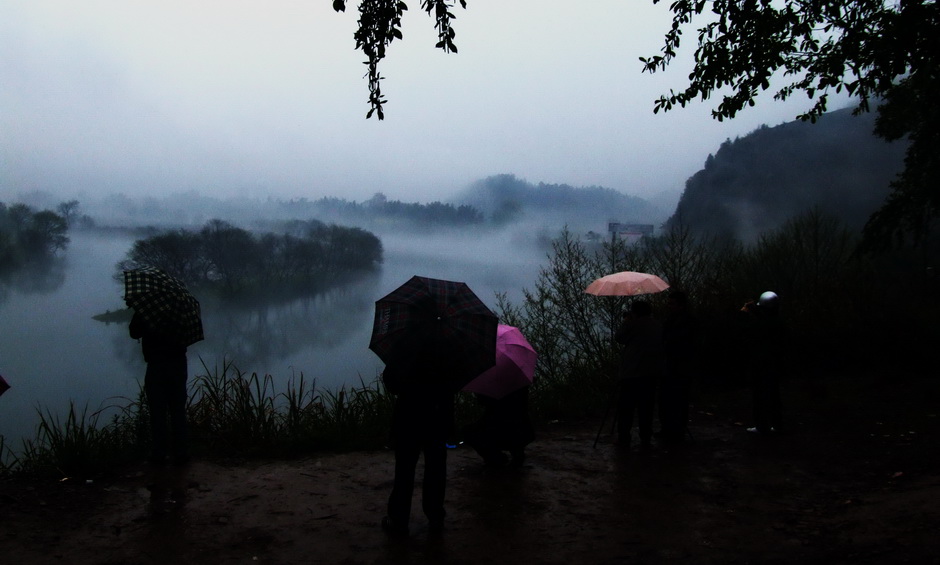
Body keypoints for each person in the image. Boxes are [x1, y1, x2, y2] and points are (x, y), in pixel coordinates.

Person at [381, 337, 456, 537]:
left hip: (408, 416)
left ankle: (398, 519)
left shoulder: (405, 343)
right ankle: (435, 516)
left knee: (404, 468)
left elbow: (391, 382)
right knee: (436, 467)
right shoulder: (448, 343)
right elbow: (454, 383)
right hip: (438, 416)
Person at [129, 310, 190, 465]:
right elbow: (189, 333)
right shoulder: (180, 310)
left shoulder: (147, 310)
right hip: (178, 364)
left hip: (156, 365)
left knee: (157, 410)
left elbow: (134, 332)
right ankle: (181, 453)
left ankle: (159, 453)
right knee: (178, 409)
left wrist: (138, 312)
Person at [614, 300, 664, 450]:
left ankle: (624, 437)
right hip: (651, 372)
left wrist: (627, 321)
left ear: (635, 312)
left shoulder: (633, 325)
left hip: (632, 373)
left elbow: (619, 337)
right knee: (646, 407)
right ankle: (645, 435)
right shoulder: (657, 325)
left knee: (626, 407)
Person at [740, 291, 787, 434]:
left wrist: (747, 313)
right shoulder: (777, 322)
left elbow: (748, 333)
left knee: (759, 396)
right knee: (773, 394)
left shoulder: (760, 324)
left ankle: (762, 425)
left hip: (760, 363)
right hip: (773, 363)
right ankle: (776, 424)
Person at [659, 290, 699, 443]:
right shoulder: (671, 319)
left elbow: (684, 342)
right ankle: (668, 428)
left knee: (679, 399)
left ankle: (677, 429)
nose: (669, 306)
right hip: (669, 365)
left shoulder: (688, 321)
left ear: (681, 305)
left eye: (672, 304)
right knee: (666, 399)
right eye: (669, 303)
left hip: (681, 366)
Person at [462, 385, 535, 467]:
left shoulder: (492, 388)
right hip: (524, 431)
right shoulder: (519, 385)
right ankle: (517, 453)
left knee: (468, 432)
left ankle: (496, 458)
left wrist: (479, 392)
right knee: (511, 427)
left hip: (502, 432)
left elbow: (482, 402)